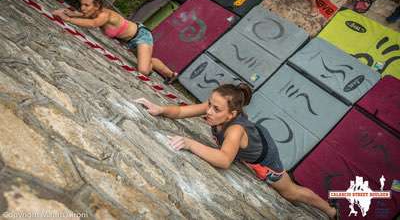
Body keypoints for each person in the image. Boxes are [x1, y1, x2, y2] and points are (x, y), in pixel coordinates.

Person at [135, 83, 338, 219]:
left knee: (290, 193)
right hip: (247, 143)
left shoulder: (235, 129)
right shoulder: (214, 109)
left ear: (232, 113)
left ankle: (330, 211)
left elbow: (224, 160)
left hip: (265, 156)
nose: (208, 111)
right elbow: (181, 111)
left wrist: (190, 143)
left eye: (216, 109)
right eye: (210, 105)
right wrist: (160, 109)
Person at [53, 0, 178, 83]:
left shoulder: (104, 15)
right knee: (144, 62)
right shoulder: (94, 12)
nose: (82, 8)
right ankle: (171, 75)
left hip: (141, 36)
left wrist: (68, 19)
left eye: (86, 5)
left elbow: (92, 23)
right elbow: (84, 15)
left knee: (143, 71)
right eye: (82, 4)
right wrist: (71, 14)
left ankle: (163, 71)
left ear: (97, 5)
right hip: (130, 41)